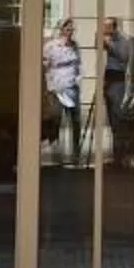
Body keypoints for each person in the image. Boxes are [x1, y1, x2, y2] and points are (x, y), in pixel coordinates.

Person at [99, 15, 134, 163]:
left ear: (114, 27)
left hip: (119, 83)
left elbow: (124, 56)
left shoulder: (124, 41)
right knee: (111, 119)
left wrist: (111, 46)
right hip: (109, 83)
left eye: (107, 26)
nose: (104, 29)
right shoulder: (109, 40)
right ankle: (116, 153)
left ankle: (122, 154)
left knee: (119, 118)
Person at [44, 18, 82, 164]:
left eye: (72, 29)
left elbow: (78, 65)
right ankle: (55, 149)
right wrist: (49, 86)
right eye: (68, 29)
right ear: (61, 30)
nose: (70, 32)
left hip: (72, 87)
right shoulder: (51, 46)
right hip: (56, 88)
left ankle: (76, 151)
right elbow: (45, 66)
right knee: (55, 118)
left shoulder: (75, 46)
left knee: (75, 120)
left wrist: (78, 79)